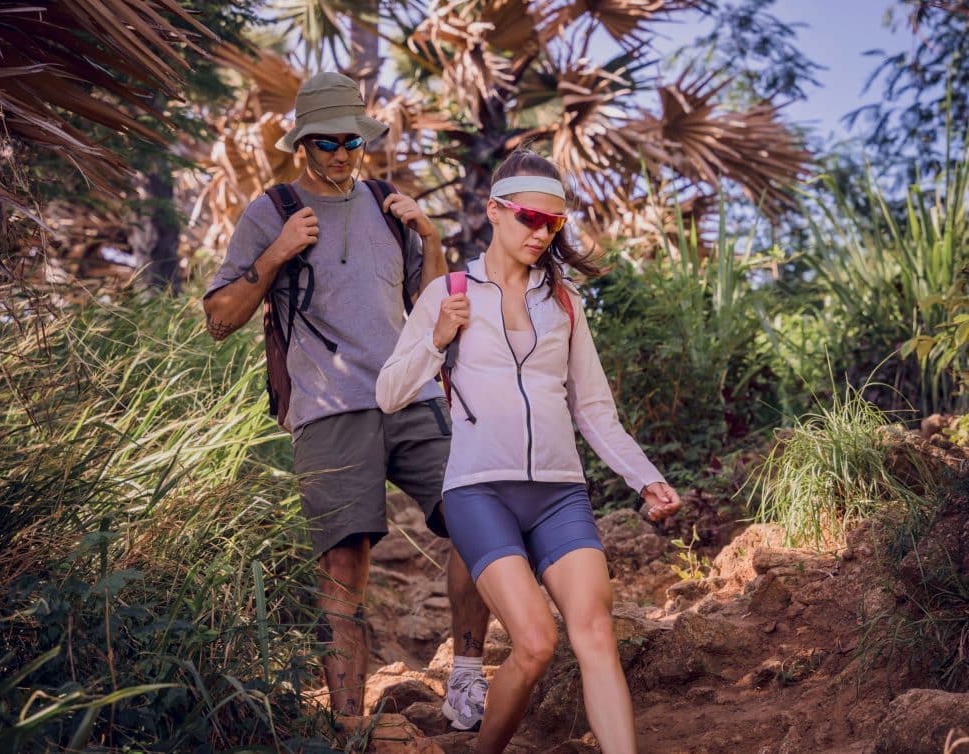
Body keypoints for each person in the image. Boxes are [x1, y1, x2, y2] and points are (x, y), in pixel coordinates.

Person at [203, 71, 490, 727]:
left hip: (412, 398)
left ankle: (468, 684)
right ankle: (348, 725)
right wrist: (275, 254)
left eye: (351, 141)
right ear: (303, 143)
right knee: (342, 566)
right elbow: (219, 320)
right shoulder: (270, 212)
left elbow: (431, 316)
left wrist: (432, 240)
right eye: (326, 142)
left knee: (479, 518)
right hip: (328, 411)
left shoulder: (389, 206)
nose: (340, 153)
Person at [376, 149, 683, 753]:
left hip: (559, 493)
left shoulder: (565, 302)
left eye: (554, 223)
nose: (540, 233)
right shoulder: (450, 291)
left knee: (595, 632)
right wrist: (437, 340)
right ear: (493, 211)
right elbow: (389, 394)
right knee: (537, 643)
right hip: (478, 490)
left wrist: (643, 478)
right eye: (528, 218)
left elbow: (592, 408)